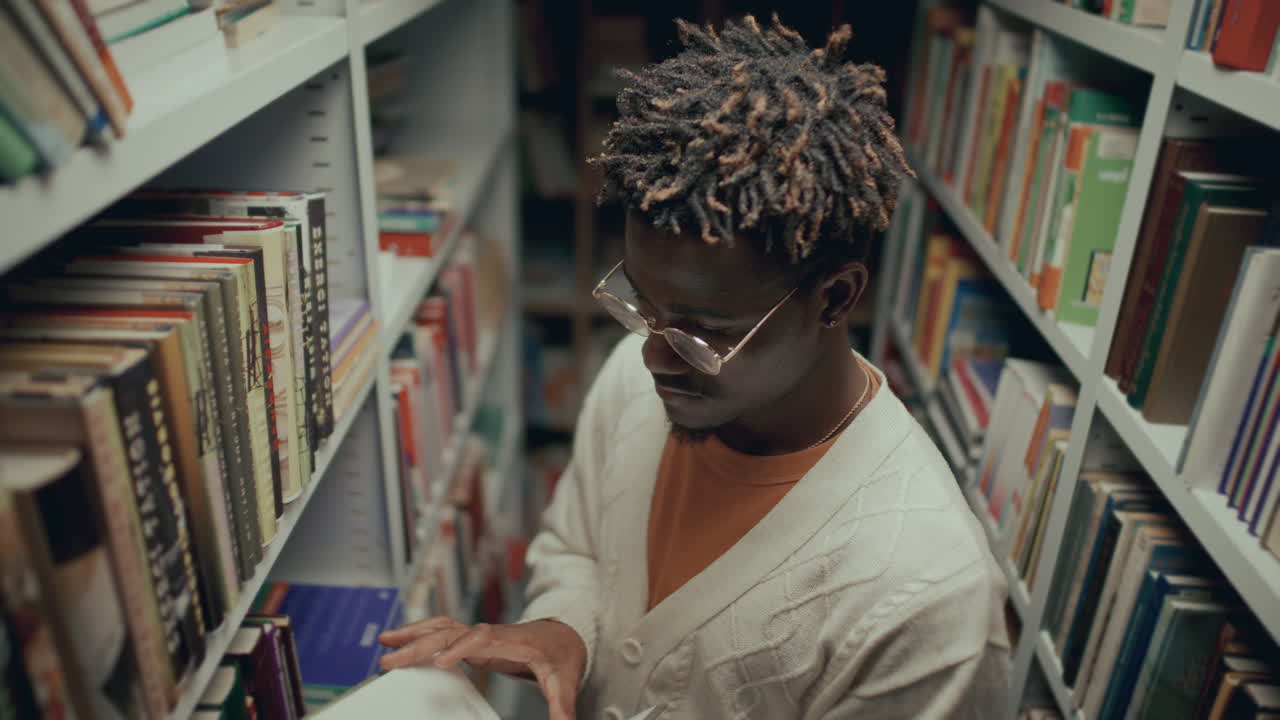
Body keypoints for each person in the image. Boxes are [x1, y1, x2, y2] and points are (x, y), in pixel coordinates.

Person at [379, 14, 1011, 720]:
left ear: (835, 298)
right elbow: (577, 547)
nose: (652, 354)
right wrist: (565, 632)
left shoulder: (926, 603)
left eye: (705, 331)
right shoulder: (632, 376)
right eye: (642, 304)